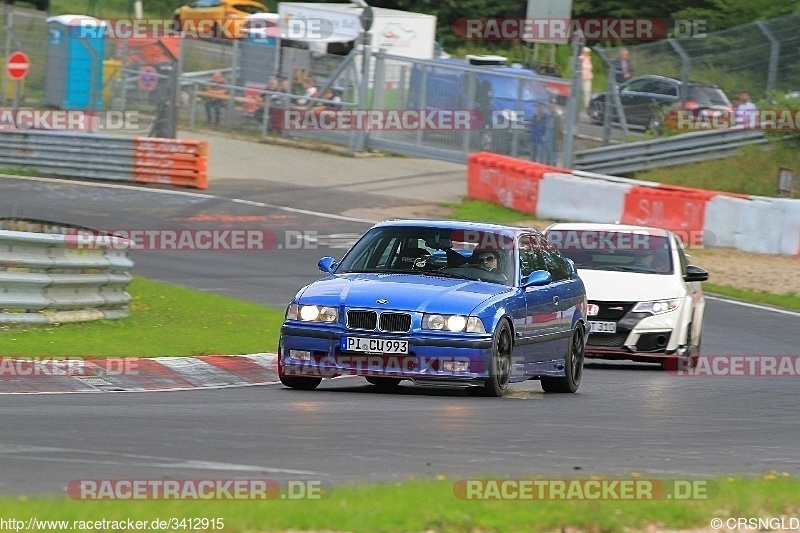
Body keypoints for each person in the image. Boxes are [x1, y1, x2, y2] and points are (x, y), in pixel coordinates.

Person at [542, 101, 563, 166]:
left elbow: (559, 128)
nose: (550, 108)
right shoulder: (549, 116)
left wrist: (557, 138)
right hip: (547, 139)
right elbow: (546, 127)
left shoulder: (556, 117)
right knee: (546, 156)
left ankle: (553, 166)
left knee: (552, 155)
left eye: (552, 107)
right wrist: (544, 135)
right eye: (549, 107)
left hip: (552, 140)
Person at [580, 47, 593, 113]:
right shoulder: (580, 58)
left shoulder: (589, 59)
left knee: (587, 92)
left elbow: (590, 68)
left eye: (588, 52)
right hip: (581, 78)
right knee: (579, 92)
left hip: (588, 78)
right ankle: (577, 104)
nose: (588, 53)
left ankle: (587, 106)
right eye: (586, 52)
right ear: (583, 52)